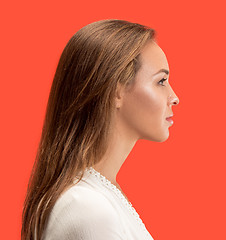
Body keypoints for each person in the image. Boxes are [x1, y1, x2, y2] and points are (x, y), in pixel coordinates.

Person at [21, 19, 180, 240]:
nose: (174, 97)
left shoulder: (96, 197)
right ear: (116, 91)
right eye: (161, 81)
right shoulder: (89, 209)